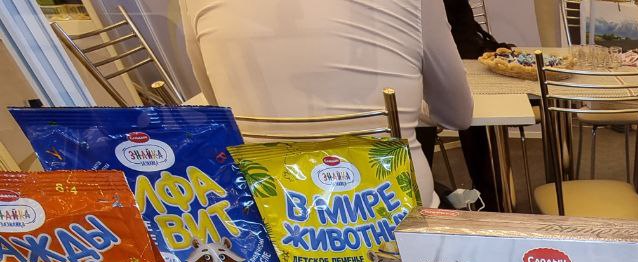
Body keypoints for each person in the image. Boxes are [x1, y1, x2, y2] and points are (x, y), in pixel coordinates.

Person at [180, 0, 473, 207]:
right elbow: (457, 115)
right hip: (401, 216)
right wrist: (404, 111)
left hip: (274, 220)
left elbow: (221, 110)